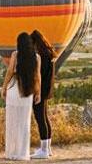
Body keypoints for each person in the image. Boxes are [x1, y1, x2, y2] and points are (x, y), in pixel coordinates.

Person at [1, 32, 41, 160]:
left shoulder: (16, 55)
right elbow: (37, 76)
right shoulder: (37, 57)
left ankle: (11, 153)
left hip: (14, 89)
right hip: (27, 91)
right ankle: (22, 153)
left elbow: (10, 71)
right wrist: (38, 92)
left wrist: (4, 87)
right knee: (24, 123)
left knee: (12, 122)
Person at [30, 30, 57, 159]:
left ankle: (44, 150)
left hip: (41, 89)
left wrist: (37, 92)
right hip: (47, 89)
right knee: (45, 117)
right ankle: (47, 148)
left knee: (40, 118)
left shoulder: (41, 56)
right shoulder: (49, 54)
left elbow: (38, 76)